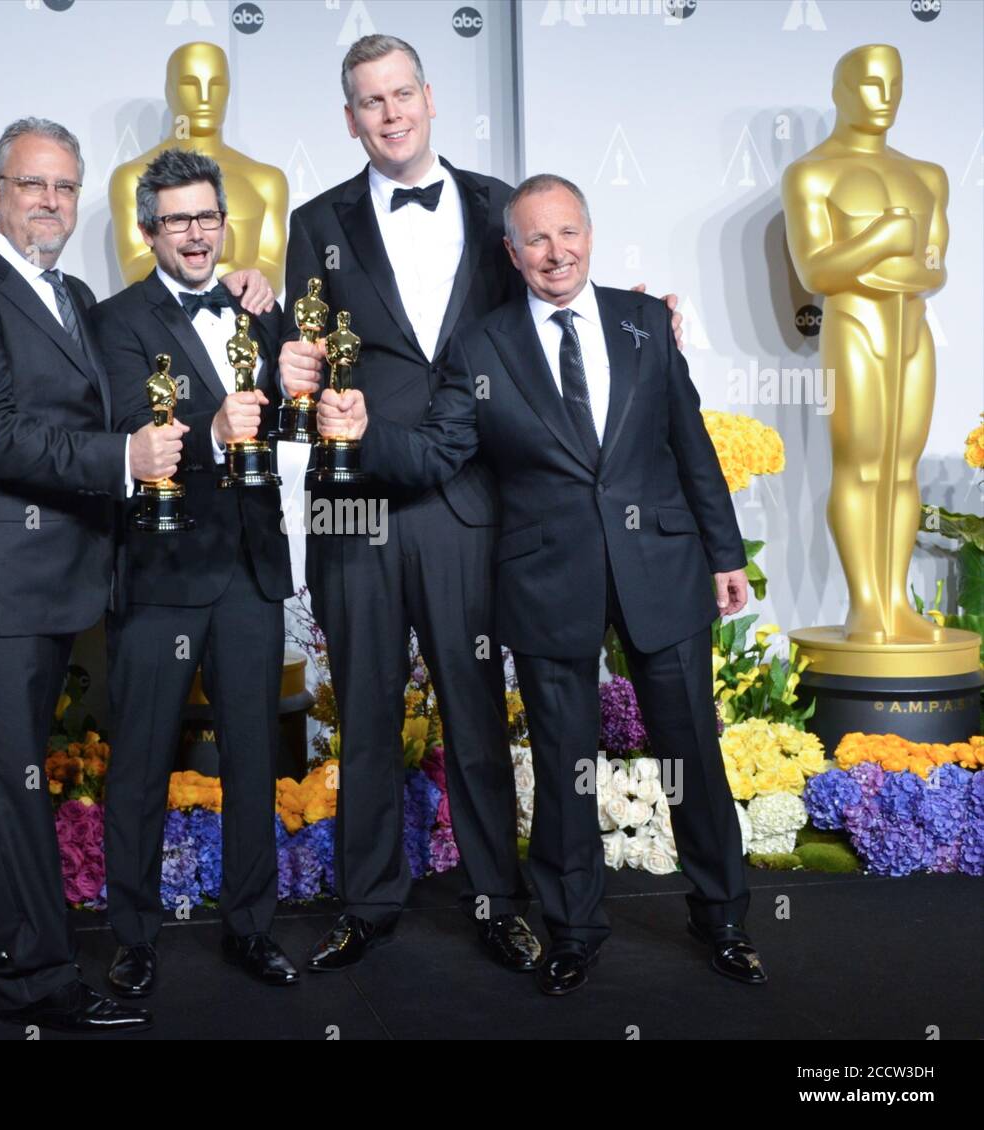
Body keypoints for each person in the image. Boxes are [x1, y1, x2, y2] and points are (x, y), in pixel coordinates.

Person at [280, 34, 682, 973]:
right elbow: (298, 362)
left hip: (472, 497)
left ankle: (499, 896)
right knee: (365, 710)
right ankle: (368, 900)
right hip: (357, 505)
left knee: (475, 711)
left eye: (400, 94)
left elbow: (558, 312)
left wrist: (645, 315)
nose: (389, 114)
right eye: (369, 102)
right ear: (350, 120)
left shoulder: (502, 206)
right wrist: (288, 377)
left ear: (427, 96)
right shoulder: (314, 220)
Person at [317, 174, 767, 996]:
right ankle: (575, 928)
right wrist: (362, 434)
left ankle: (724, 918)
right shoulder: (482, 346)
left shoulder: (644, 324)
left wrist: (724, 553)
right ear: (511, 253)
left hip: (660, 569)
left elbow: (690, 443)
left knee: (691, 751)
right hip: (547, 578)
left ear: (590, 236)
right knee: (565, 763)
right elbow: (437, 453)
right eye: (536, 240)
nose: (555, 253)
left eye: (568, 234)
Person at [0, 117, 181, 1031]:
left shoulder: (64, 293)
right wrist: (121, 459)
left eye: (66, 187)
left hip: (47, 580)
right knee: (9, 774)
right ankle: (38, 977)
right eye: (34, 186)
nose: (52, 202)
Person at [91, 149, 298, 997]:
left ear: (224, 220)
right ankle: (133, 937)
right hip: (163, 571)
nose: (195, 233)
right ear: (147, 232)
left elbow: (287, 408)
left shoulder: (254, 306)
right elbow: (134, 426)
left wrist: (282, 325)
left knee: (254, 759)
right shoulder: (114, 321)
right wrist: (214, 429)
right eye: (177, 220)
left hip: (250, 568)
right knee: (139, 761)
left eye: (206, 216)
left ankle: (251, 928)